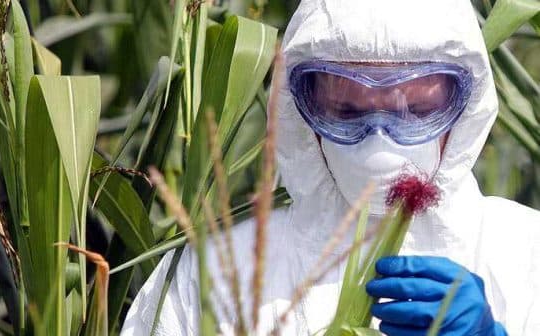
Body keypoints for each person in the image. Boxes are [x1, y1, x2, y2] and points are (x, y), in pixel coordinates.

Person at [121, 0, 540, 335]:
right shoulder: (216, 268)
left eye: (416, 109)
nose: (381, 139)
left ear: (466, 109)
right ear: (299, 113)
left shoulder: (523, 253)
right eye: (346, 110)